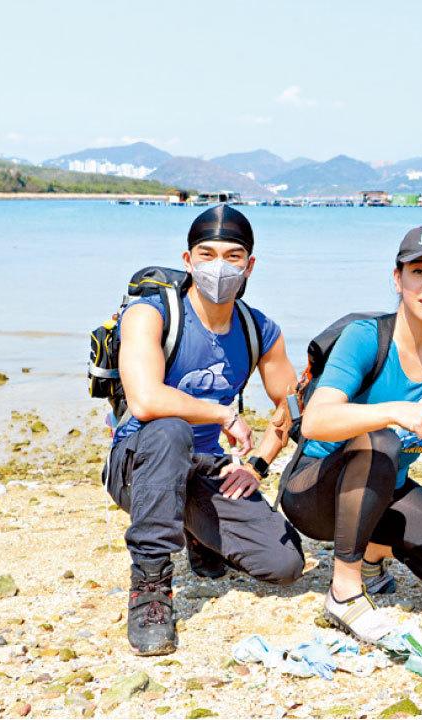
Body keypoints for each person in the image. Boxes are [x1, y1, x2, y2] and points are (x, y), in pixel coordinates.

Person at [103, 204, 304, 656]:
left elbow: (290, 405)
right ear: (188, 259)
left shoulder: (258, 330)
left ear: (250, 265)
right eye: (207, 254)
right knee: (170, 428)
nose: (219, 266)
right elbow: (145, 400)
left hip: (205, 468)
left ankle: (196, 529)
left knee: (284, 564)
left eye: (233, 256)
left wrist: (256, 466)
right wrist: (222, 415)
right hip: (138, 464)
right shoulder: (151, 314)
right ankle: (150, 586)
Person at [279, 224, 422, 643]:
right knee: (382, 440)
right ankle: (344, 591)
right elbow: (316, 421)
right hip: (315, 491)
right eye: (419, 272)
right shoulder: (365, 338)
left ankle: (372, 552)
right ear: (398, 278)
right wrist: (395, 412)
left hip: (383, 489)